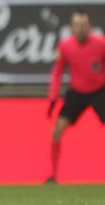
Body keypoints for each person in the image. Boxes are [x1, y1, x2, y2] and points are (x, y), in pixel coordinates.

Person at [46, 11, 105, 183]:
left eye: (85, 25)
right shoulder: (65, 46)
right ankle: (53, 175)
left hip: (99, 91)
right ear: (71, 28)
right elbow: (57, 73)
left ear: (90, 27)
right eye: (78, 25)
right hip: (76, 92)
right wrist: (52, 98)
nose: (82, 29)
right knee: (57, 131)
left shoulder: (100, 43)